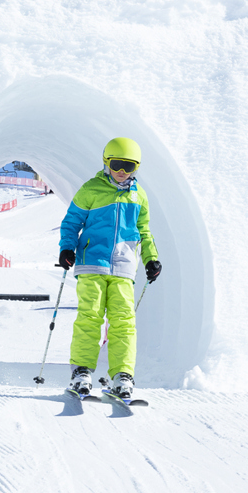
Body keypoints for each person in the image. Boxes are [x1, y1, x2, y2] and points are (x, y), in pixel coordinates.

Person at [58, 137, 162, 399]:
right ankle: (81, 371)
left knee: (124, 322)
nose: (121, 172)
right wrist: (66, 248)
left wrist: (151, 258)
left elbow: (144, 231)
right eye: (116, 165)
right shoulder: (91, 189)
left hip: (124, 267)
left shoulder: (139, 196)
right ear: (106, 162)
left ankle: (122, 375)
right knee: (90, 316)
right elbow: (71, 223)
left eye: (128, 167)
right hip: (92, 262)